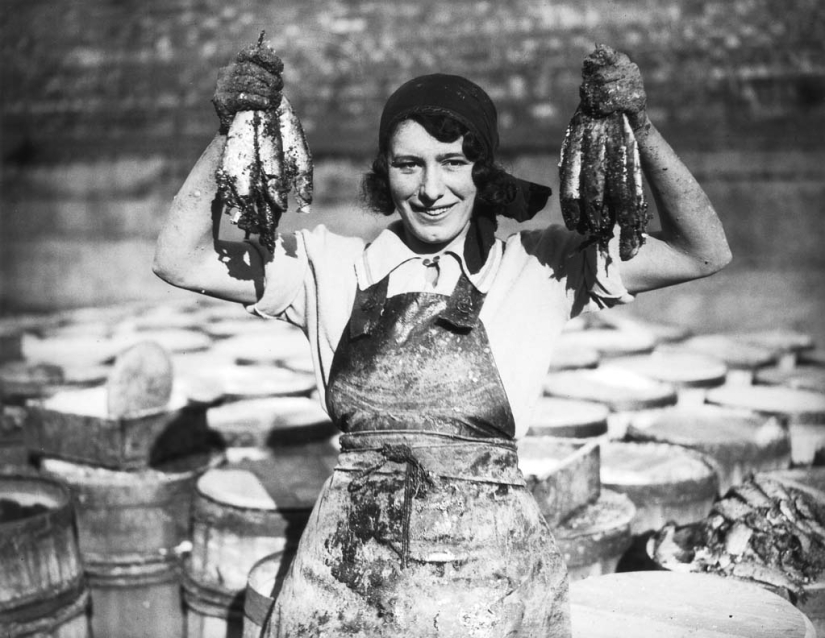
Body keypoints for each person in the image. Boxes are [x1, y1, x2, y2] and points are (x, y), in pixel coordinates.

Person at [153, 41, 731, 638]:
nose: (431, 189)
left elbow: (703, 250)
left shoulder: (544, 266)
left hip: (492, 593)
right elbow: (180, 260)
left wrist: (640, 127)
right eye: (409, 165)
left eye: (453, 162)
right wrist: (232, 133)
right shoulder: (325, 266)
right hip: (345, 588)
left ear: (483, 171)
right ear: (385, 172)